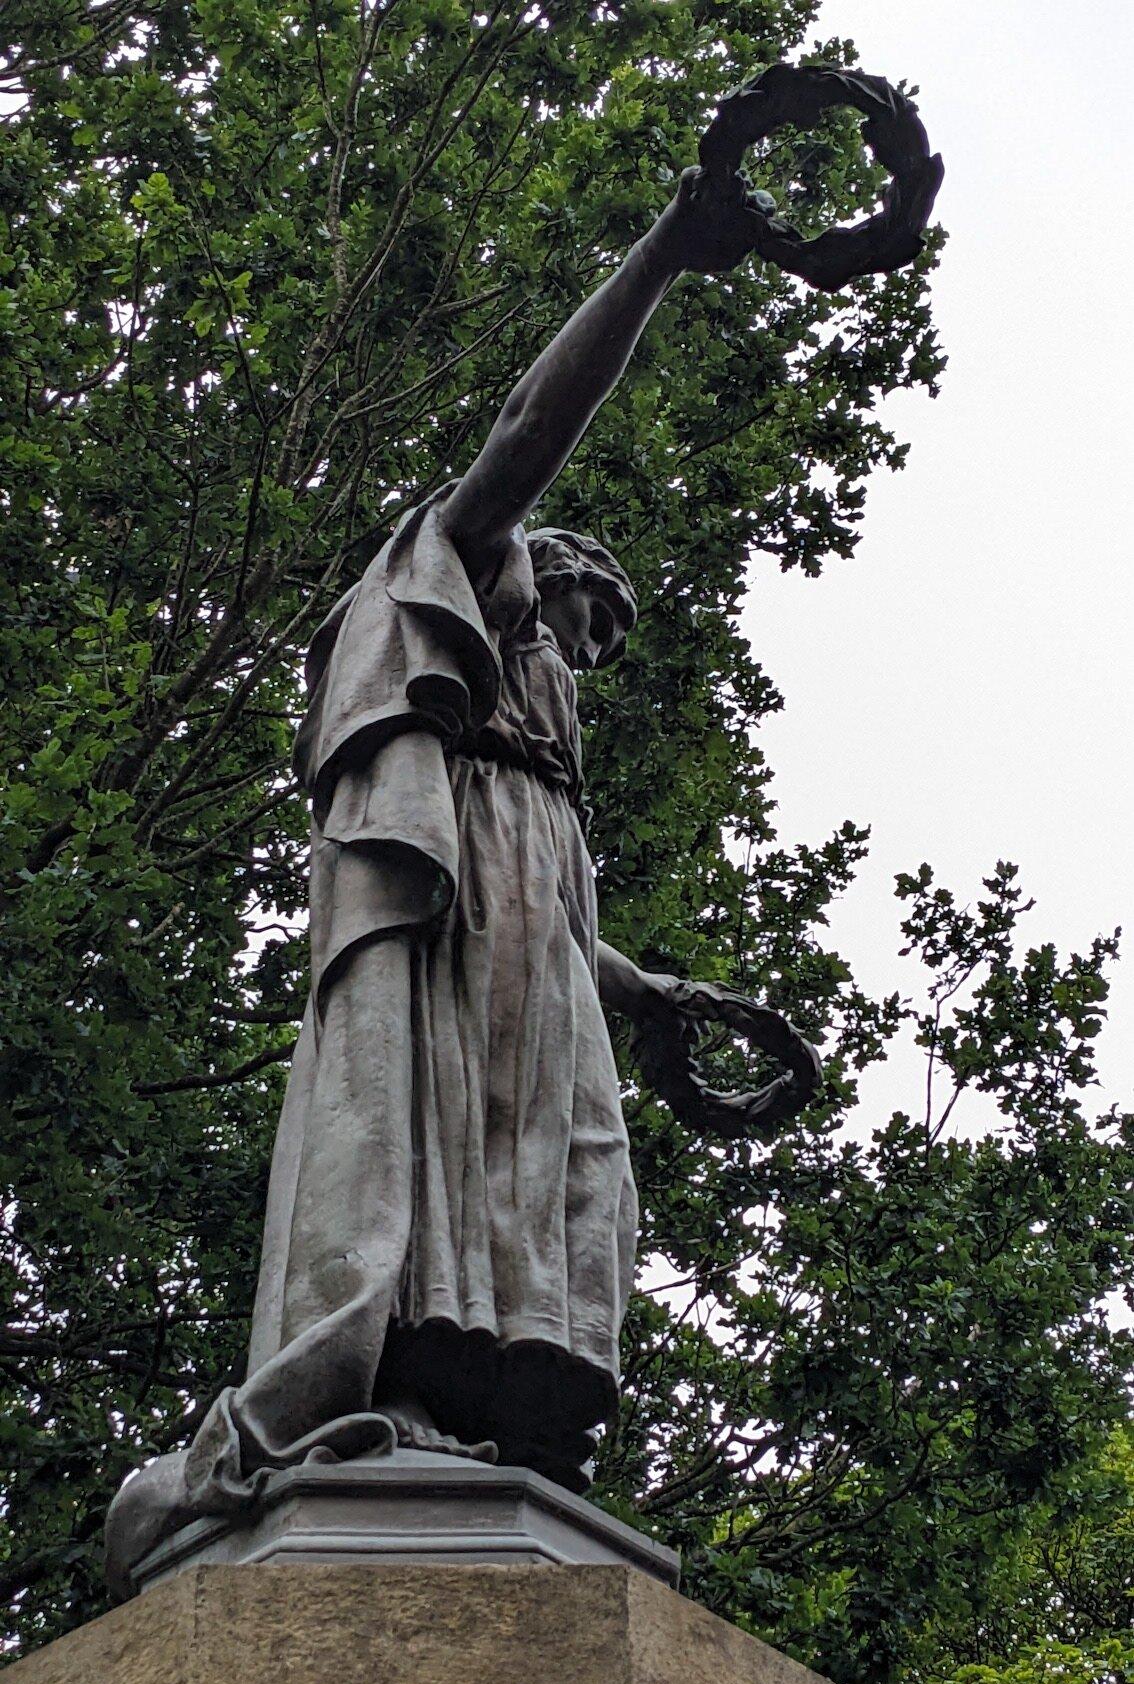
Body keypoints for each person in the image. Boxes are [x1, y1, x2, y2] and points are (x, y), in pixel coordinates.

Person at [104, 164, 784, 1596]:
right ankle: (392, 1387)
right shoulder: (485, 575)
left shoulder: (548, 781)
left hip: (535, 934)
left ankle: (498, 1410)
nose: (593, 644)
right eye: (590, 610)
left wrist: (651, 992)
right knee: (429, 1145)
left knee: (567, 1175)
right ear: (538, 576)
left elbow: (560, 922)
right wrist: (672, 247)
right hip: (455, 913)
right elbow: (528, 428)